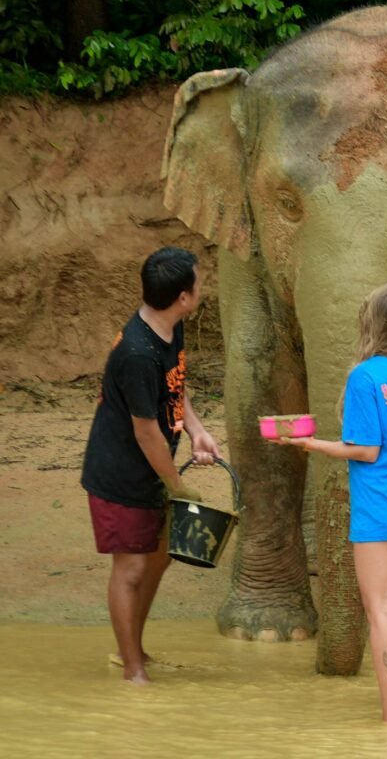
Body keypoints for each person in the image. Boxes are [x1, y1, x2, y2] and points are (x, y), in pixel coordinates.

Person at [273, 284, 387, 723]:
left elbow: (365, 451)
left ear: (371, 324)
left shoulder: (365, 378)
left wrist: (315, 445)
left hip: (381, 507)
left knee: (380, 609)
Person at [81, 246, 221, 685]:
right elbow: (146, 432)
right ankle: (133, 672)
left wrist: (197, 430)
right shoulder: (138, 353)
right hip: (121, 475)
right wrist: (176, 483)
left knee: (159, 559)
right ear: (183, 296)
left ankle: (133, 650)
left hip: (154, 469)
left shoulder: (168, 328)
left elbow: (176, 385)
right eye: (198, 283)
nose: (202, 287)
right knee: (132, 568)